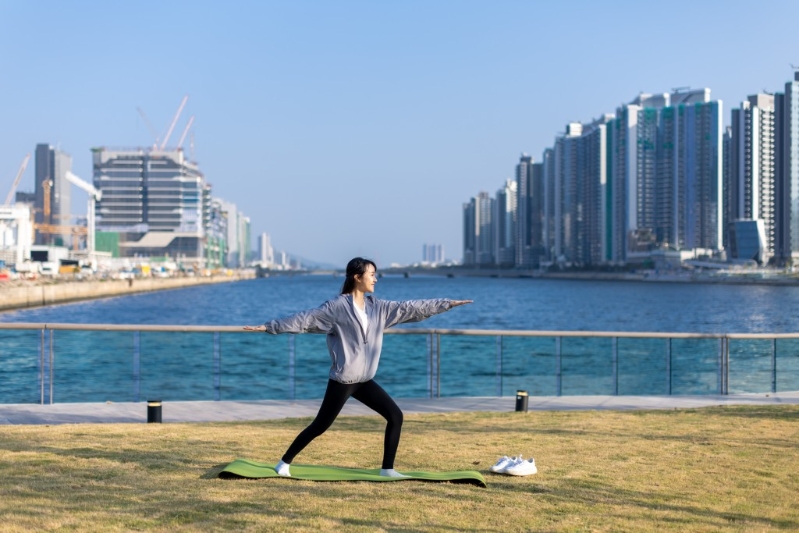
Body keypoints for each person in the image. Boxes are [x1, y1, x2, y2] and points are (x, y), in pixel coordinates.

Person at [244, 257, 472, 478]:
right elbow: (305, 319)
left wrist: (446, 304)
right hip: (344, 380)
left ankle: (387, 469)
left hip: (364, 380)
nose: (376, 279)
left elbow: (410, 308)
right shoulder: (337, 307)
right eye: (372, 275)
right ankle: (283, 463)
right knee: (320, 426)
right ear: (357, 277)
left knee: (395, 416)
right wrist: (268, 327)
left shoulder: (378, 307)